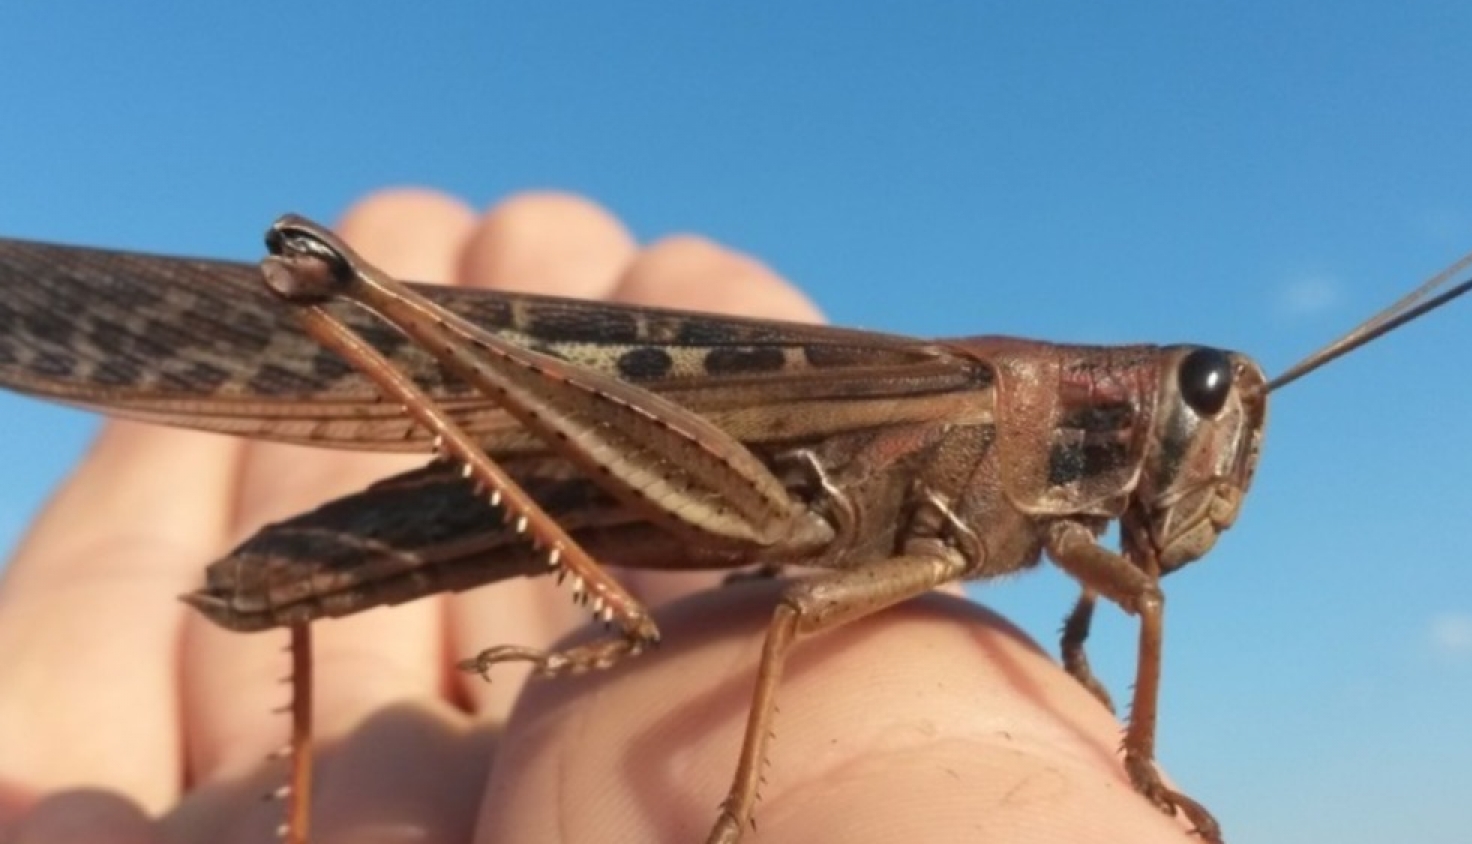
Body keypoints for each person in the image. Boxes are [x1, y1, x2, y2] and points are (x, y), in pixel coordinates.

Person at [0, 190, 1199, 842]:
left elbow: (1121, 590)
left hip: (699, 493)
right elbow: (798, 614)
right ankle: (346, 300)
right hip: (660, 457)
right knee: (352, 288)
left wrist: (1088, 650)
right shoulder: (978, 400)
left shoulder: (1065, 526)